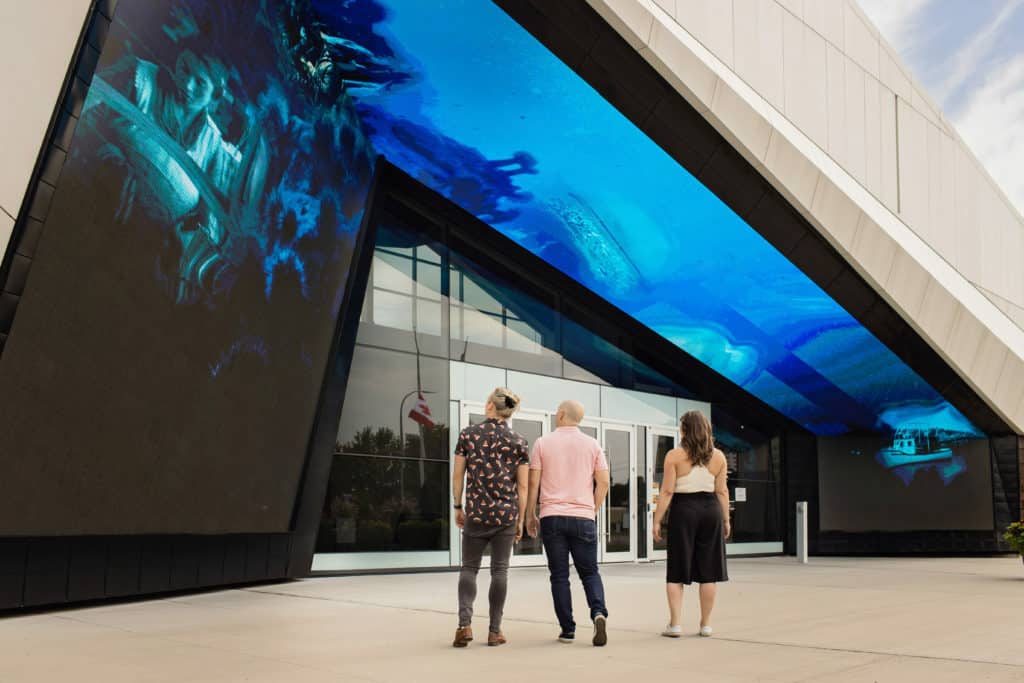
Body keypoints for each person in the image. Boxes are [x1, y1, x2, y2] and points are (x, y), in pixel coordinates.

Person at [525, 400, 610, 646]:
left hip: (552, 517)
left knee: (559, 576)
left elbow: (533, 483)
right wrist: (591, 509)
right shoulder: (593, 444)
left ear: (561, 414)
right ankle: (598, 612)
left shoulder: (542, 442)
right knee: (590, 572)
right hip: (583, 517)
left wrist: (531, 513)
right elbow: (603, 482)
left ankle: (568, 630)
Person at [451, 388, 530, 648]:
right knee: (500, 570)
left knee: (469, 568)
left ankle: (464, 626)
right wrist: (520, 520)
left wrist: (458, 506)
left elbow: (458, 476)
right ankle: (495, 632)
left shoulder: (468, 435)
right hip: (506, 515)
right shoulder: (519, 441)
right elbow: (523, 487)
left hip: (476, 512)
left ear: (489, 406)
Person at [652, 410, 730, 638]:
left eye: (681, 426)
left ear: (686, 430)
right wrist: (726, 519)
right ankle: (705, 625)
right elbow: (722, 491)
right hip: (710, 510)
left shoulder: (674, 456)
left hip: (683, 510)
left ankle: (675, 625)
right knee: (709, 572)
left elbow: (666, 491)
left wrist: (657, 520)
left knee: (677, 568)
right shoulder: (719, 457)